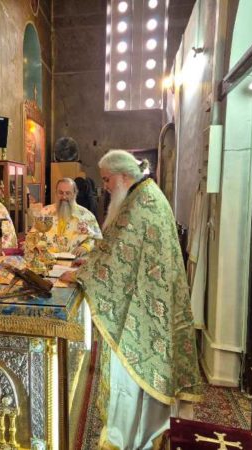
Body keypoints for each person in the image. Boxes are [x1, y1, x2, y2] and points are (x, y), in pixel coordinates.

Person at [61, 150, 201, 449]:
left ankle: (130, 437)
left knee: (131, 374)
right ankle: (139, 432)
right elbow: (117, 249)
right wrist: (91, 262)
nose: (105, 187)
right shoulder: (143, 196)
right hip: (148, 299)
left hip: (144, 308)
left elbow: (118, 261)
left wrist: (82, 275)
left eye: (107, 180)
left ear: (123, 176)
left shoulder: (141, 203)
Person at [35, 178, 101, 256]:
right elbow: (33, 235)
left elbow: (96, 239)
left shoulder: (86, 215)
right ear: (56, 193)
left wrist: (85, 247)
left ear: (75, 194)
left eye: (68, 193)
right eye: (60, 193)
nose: (64, 197)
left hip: (74, 260)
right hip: (47, 259)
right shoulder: (45, 212)